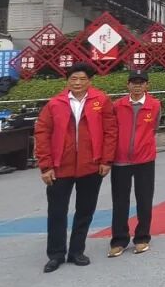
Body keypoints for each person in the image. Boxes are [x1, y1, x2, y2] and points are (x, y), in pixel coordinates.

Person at [34, 63, 116, 273]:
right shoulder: (55, 104)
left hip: (91, 165)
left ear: (90, 81)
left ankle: (77, 251)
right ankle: (56, 254)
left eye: (82, 79)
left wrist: (106, 160)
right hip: (60, 167)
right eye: (73, 79)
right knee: (57, 212)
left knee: (85, 210)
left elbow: (110, 132)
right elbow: (42, 134)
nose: (77, 83)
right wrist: (45, 165)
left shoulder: (101, 100)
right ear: (67, 81)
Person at [108, 71, 161, 258]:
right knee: (120, 201)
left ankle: (142, 237)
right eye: (134, 82)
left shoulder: (154, 105)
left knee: (144, 199)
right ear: (128, 85)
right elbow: (112, 130)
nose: (137, 86)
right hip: (120, 159)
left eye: (141, 83)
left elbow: (154, 128)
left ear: (147, 85)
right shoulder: (118, 105)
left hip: (144, 159)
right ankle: (119, 240)